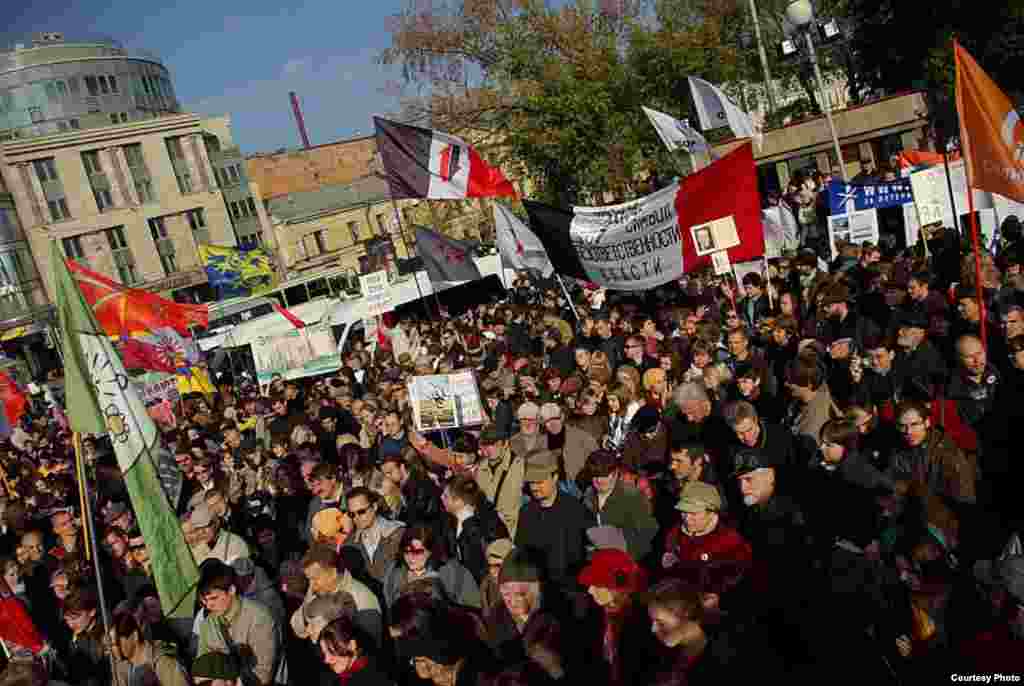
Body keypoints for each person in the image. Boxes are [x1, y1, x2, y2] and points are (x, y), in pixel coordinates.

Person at [195, 560, 283, 686]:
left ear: (231, 590)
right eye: (205, 601)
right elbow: (201, 669)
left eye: (214, 598)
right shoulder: (208, 623)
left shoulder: (259, 618)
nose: (209, 606)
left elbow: (263, 675)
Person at [380, 524, 481, 610]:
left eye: (418, 552)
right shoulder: (394, 572)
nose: (411, 557)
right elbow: (389, 606)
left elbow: (472, 607)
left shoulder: (454, 572)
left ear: (431, 551)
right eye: (407, 552)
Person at [318, 616, 395, 685]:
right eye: (324, 653)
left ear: (352, 645)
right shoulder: (348, 673)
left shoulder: (371, 677)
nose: (326, 660)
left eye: (332, 651)